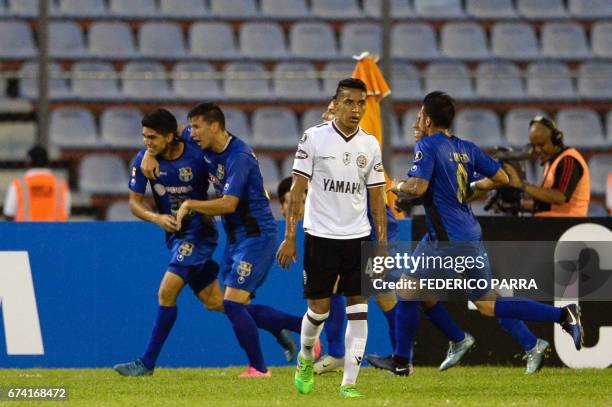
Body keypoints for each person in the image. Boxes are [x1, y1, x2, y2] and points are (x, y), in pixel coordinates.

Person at [387, 92, 584, 376]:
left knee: (407, 289)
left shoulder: (428, 145)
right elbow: (503, 178)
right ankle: (562, 316)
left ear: (428, 120)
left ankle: (403, 362)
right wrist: (474, 186)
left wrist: (396, 185)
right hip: (468, 232)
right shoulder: (466, 147)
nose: (417, 121)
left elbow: (417, 188)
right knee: (488, 304)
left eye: (419, 115)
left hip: (448, 240)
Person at [169, 103, 307, 377]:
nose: (192, 133)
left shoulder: (239, 157)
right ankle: (307, 329)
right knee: (236, 306)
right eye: (191, 126)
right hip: (235, 238)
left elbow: (229, 203)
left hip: (256, 236)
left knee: (232, 303)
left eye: (197, 127)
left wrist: (191, 205)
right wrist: (147, 154)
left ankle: (259, 368)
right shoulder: (199, 140)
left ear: (215, 126)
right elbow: (168, 130)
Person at [277, 78, 387, 398]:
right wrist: (289, 236)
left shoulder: (370, 144)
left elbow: (377, 199)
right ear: (335, 104)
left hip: (358, 236)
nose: (356, 109)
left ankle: (349, 384)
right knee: (319, 311)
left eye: (361, 103)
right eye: (350, 102)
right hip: (321, 236)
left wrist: (380, 245)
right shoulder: (313, 138)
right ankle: (305, 357)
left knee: (359, 309)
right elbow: (297, 191)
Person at [114, 109, 223, 376]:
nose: (146, 142)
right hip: (175, 234)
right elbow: (134, 203)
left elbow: (215, 142)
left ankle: (146, 363)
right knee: (217, 301)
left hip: (199, 231)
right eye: (144, 137)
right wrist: (157, 218)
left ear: (170, 136)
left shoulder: (195, 149)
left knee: (166, 291)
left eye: (152, 137)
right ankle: (283, 326)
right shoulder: (144, 159)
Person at [506, 116, 590, 217]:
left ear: (555, 140)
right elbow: (546, 205)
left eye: (541, 145)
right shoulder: (551, 162)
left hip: (568, 227)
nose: (537, 150)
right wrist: (514, 206)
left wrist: (522, 185)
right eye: (534, 146)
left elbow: (559, 197)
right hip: (553, 225)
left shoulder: (568, 160)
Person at [3, 145, 70, 221]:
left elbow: (9, 215)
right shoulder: (61, 185)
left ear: (28, 162)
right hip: (55, 232)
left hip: (26, 232)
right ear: (47, 162)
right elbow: (66, 213)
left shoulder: (18, 184)